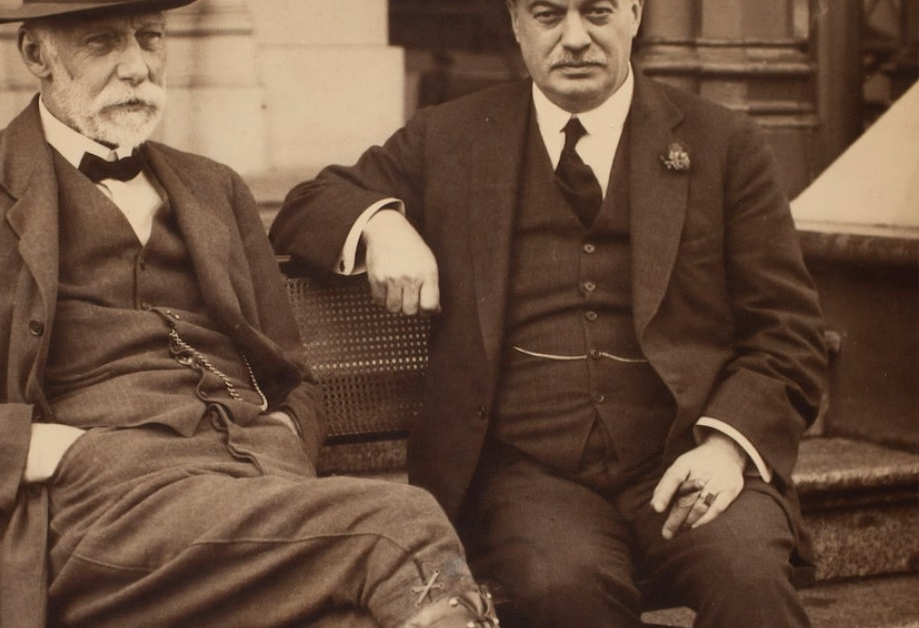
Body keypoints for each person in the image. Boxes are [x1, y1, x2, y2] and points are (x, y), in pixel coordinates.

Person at [0, 1, 502, 627]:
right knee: (401, 527)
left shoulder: (214, 187)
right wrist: (63, 451)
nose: (137, 66)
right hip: (97, 512)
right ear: (37, 53)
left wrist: (281, 436)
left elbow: (292, 376)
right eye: (103, 42)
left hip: (256, 489)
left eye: (151, 37)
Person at [270, 1, 829, 626]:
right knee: (561, 588)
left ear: (635, 13)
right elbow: (308, 204)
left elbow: (789, 332)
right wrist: (382, 224)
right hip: (533, 479)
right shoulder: (452, 136)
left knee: (749, 578)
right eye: (548, 14)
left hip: (689, 455)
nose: (575, 38)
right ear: (516, 23)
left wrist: (726, 447)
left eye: (597, 12)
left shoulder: (723, 143)